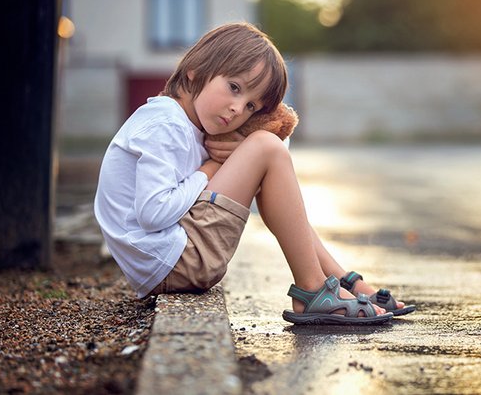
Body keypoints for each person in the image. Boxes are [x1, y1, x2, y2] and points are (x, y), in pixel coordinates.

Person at [94, 22, 413, 325]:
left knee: (266, 149)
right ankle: (314, 289)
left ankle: (338, 279)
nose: (237, 109)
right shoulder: (165, 125)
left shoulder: (191, 124)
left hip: (172, 261)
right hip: (174, 262)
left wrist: (241, 154)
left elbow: (277, 183)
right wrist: (210, 168)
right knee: (265, 147)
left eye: (250, 107)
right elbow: (152, 213)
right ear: (194, 71)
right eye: (234, 88)